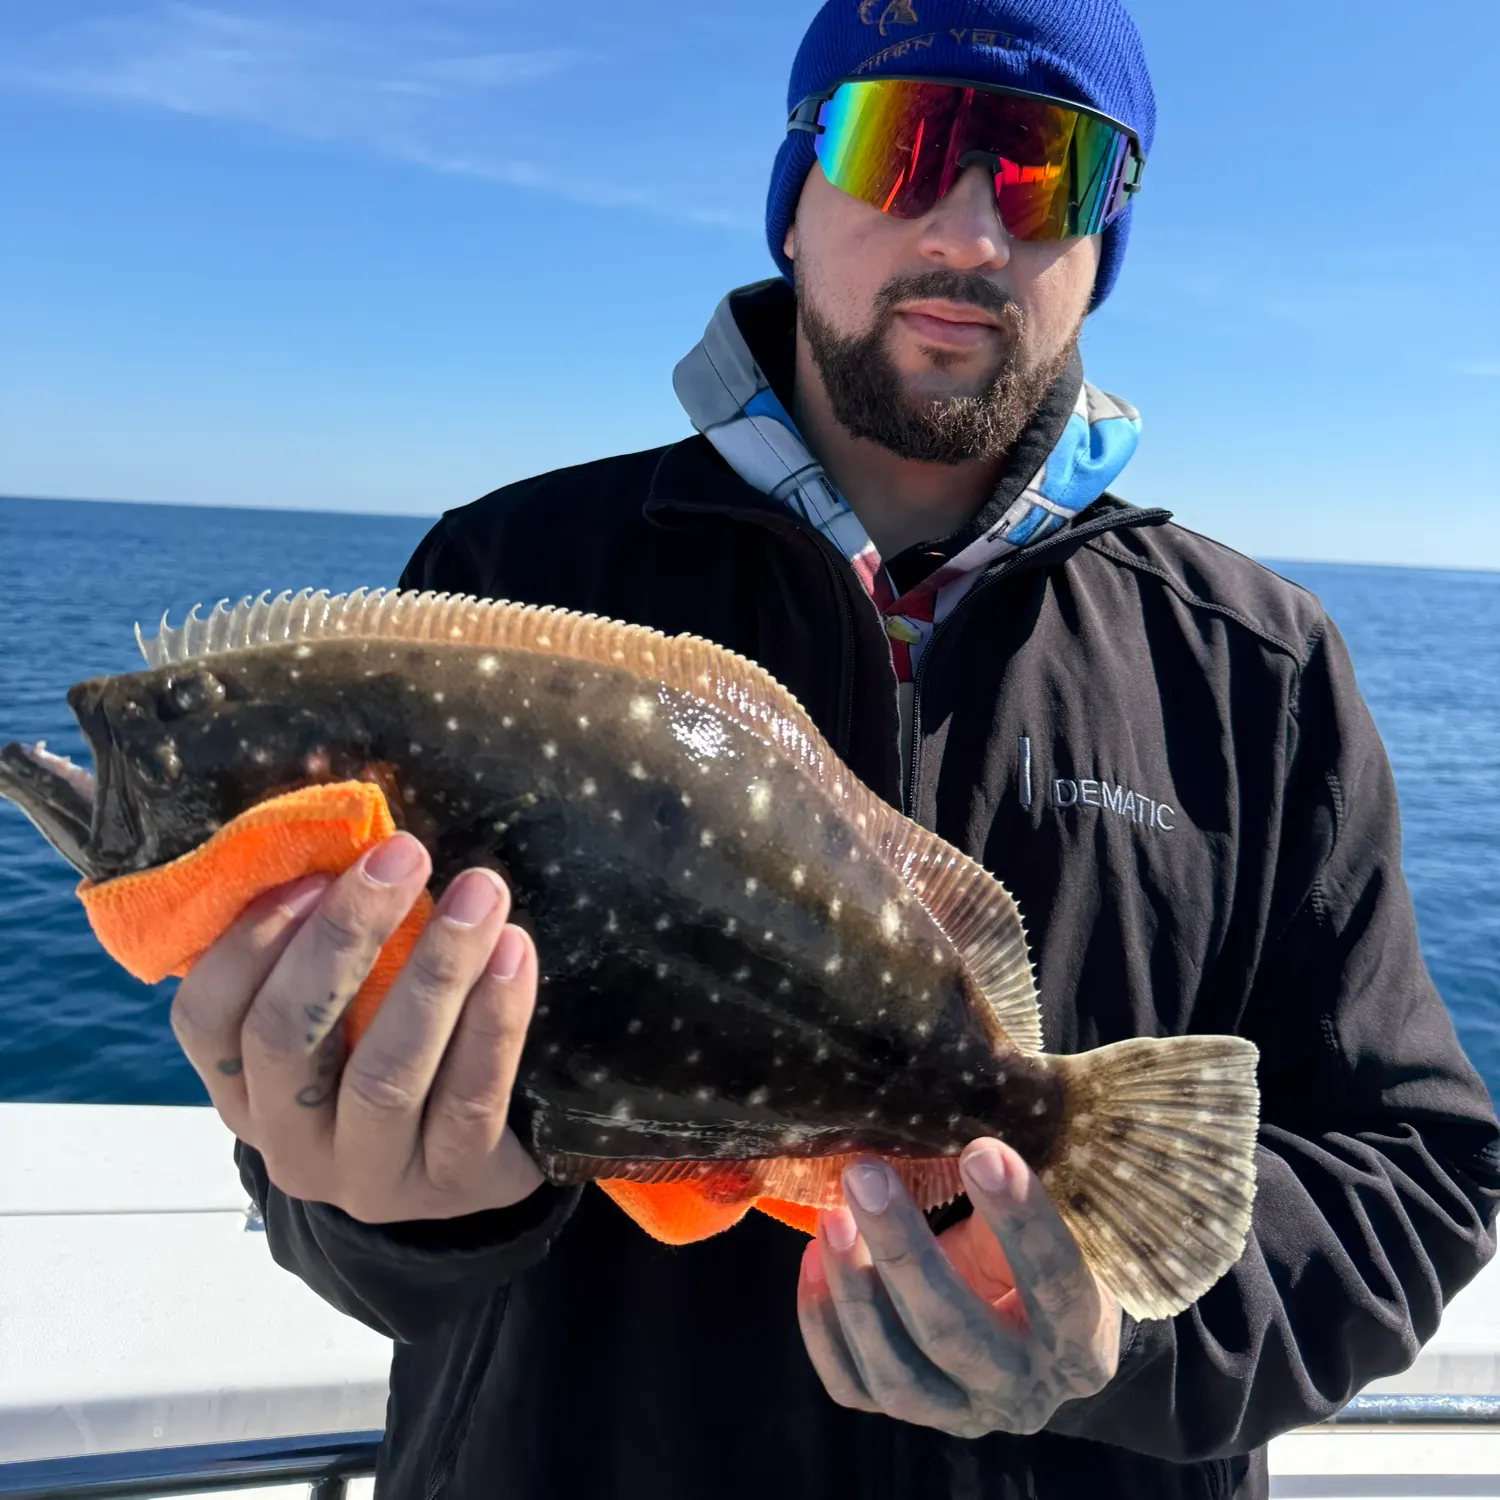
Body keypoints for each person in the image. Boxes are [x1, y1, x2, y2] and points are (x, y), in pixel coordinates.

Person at [167, 2, 1500, 1496]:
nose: (969, 232)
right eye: (904, 142)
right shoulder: (504, 581)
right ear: (797, 195)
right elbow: (329, 1145)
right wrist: (384, 1205)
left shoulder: (1258, 665)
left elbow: (1418, 1166)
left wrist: (1129, 1330)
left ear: (1103, 238)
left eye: (1043, 170)